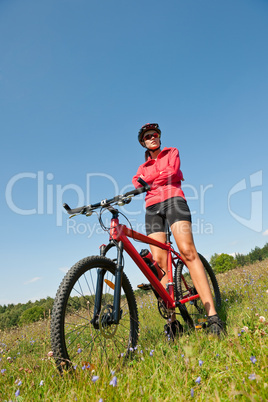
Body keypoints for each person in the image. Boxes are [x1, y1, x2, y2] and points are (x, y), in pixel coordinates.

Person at [132, 123, 225, 338]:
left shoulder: (171, 152)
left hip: (174, 200)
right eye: (148, 136)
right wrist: (155, 179)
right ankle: (173, 324)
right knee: (160, 264)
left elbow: (171, 172)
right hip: (152, 207)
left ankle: (212, 316)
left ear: (159, 138)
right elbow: (138, 185)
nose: (152, 138)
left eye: (155, 134)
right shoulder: (141, 168)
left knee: (187, 251)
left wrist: (151, 181)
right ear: (143, 143)